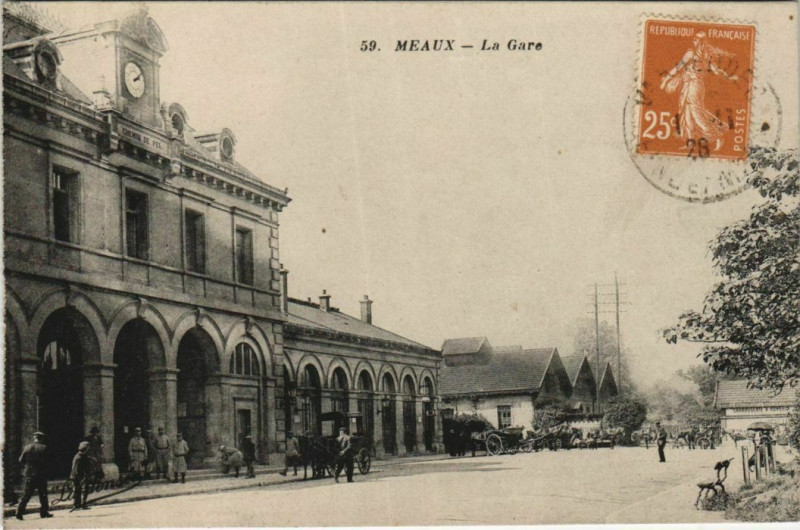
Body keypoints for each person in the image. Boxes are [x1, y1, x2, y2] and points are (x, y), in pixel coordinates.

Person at [659, 32, 739, 151]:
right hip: (692, 85)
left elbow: (678, 67)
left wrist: (666, 80)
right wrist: (729, 77)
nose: (694, 41)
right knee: (687, 113)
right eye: (694, 39)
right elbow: (717, 71)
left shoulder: (693, 54)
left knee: (697, 114)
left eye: (696, 40)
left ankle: (716, 136)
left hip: (693, 85)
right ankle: (690, 142)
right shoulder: (706, 56)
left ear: (701, 42)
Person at [15, 432, 53, 520]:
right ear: (42, 438)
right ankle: (44, 512)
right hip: (40, 474)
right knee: (43, 494)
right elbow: (48, 462)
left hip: (29, 474)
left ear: (34, 438)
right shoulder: (44, 448)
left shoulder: (27, 447)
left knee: (26, 494)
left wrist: (28, 466)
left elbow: (20, 460)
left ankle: (19, 512)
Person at [70, 441, 95, 510]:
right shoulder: (78, 458)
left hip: (80, 476)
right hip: (78, 476)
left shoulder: (83, 456)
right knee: (81, 489)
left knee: (80, 490)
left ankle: (78, 504)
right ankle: (80, 504)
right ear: (85, 449)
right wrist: (84, 477)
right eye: (88, 448)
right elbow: (76, 470)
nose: (89, 449)